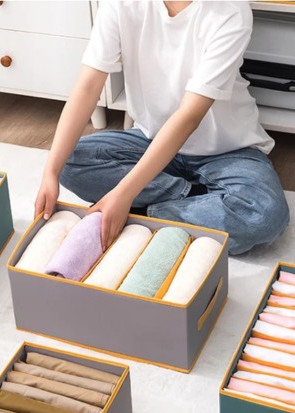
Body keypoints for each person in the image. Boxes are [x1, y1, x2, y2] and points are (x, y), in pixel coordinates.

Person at [34, 0, 289, 255]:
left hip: (228, 150)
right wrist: (51, 172)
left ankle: (142, 214)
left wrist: (124, 195)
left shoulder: (230, 11)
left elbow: (189, 116)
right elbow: (88, 86)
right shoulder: (119, 4)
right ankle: (196, 198)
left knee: (263, 216)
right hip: (152, 140)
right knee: (69, 160)